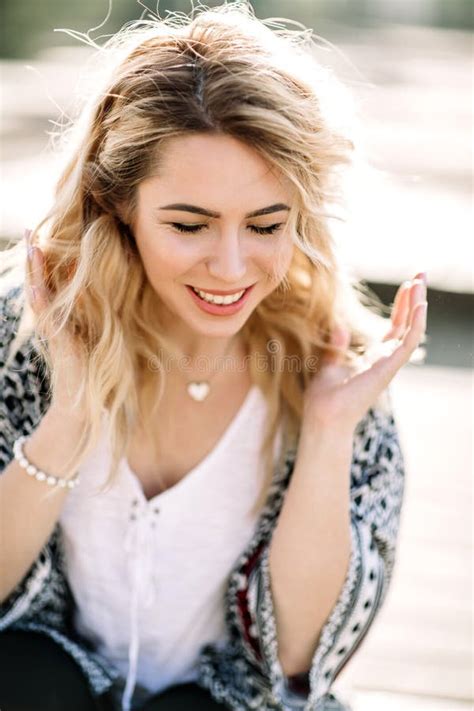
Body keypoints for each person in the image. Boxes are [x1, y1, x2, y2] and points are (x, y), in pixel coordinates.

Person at [0, 3, 428, 710]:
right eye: (189, 224)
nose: (230, 267)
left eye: (265, 224)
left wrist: (325, 432)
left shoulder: (340, 375)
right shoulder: (26, 332)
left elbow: (300, 660)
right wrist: (73, 414)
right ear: (118, 204)